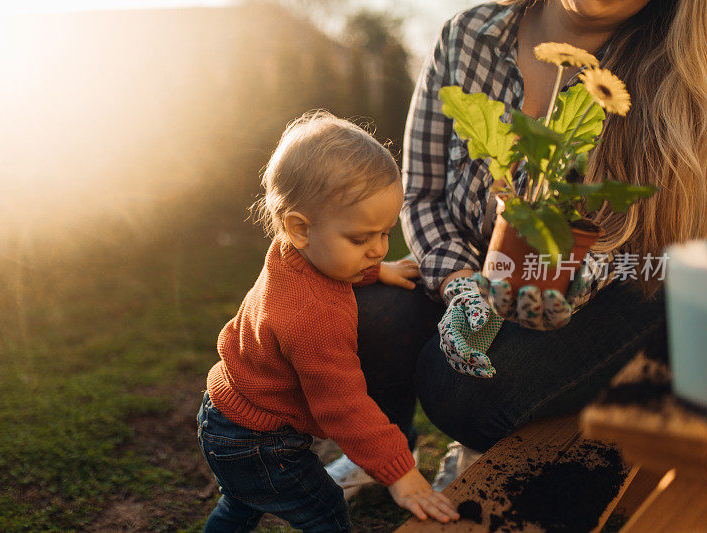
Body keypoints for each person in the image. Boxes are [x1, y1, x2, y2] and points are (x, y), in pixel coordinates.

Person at [327, 0, 707, 495]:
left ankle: (492, 446)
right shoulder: (467, 37)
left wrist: (546, 287)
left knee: (461, 391)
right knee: (365, 317)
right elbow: (422, 193)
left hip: (600, 292)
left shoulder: (673, 69)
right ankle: (387, 448)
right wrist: (464, 289)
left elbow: (629, 236)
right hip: (472, 273)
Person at [196, 110, 461, 532]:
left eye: (385, 232)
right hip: (261, 442)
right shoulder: (312, 318)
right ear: (299, 227)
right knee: (326, 514)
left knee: (242, 504)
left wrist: (379, 271)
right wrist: (399, 471)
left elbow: (334, 264)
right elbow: (343, 404)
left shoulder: (292, 250)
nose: (377, 248)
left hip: (224, 417)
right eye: (361, 238)